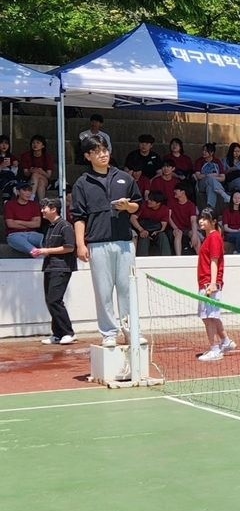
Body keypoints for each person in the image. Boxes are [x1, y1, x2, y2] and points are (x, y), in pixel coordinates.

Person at [71, 131, 142, 348]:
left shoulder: (125, 178)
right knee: (103, 292)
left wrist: (127, 206)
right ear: (87, 156)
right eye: (96, 151)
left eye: (104, 150)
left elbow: (137, 205)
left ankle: (131, 331)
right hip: (97, 243)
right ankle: (109, 333)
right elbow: (79, 217)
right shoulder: (82, 183)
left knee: (127, 289)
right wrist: (80, 244)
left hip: (124, 243)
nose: (102, 154)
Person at [31, 197, 78, 345]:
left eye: (45, 208)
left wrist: (46, 251)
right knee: (50, 300)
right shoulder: (50, 227)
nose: (42, 211)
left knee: (54, 300)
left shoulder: (65, 226)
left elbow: (69, 247)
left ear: (53, 209)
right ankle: (58, 334)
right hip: (50, 267)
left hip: (62, 267)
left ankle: (68, 332)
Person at [195, 208, 234, 362]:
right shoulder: (210, 237)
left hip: (209, 284)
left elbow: (214, 261)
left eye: (205, 218)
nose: (201, 221)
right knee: (211, 316)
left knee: (209, 317)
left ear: (213, 221)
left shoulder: (214, 237)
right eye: (201, 218)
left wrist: (212, 284)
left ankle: (214, 348)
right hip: (206, 282)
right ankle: (225, 341)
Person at [4, 180, 43, 254]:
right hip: (15, 234)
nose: (28, 193)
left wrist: (18, 222)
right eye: (25, 190)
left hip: (32, 234)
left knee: (47, 239)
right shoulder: (9, 204)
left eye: (30, 190)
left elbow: (37, 224)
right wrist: (30, 224)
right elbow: (10, 224)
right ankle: (37, 253)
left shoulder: (34, 204)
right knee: (18, 240)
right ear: (18, 192)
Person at [131, 190, 172, 256]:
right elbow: (132, 218)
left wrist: (157, 231)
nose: (149, 201)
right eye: (149, 199)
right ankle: (142, 259)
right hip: (141, 228)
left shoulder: (165, 209)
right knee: (144, 236)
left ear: (158, 203)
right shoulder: (143, 205)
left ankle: (167, 258)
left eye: (151, 200)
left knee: (162, 235)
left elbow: (163, 226)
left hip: (155, 230)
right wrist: (141, 230)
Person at [18, 134, 55, 201]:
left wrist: (40, 171)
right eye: (33, 143)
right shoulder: (26, 155)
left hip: (45, 179)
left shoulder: (48, 157)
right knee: (40, 182)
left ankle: (31, 197)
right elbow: (26, 173)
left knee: (37, 175)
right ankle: (42, 203)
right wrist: (31, 171)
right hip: (30, 180)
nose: (35, 145)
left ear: (43, 146)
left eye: (38, 143)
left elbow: (48, 175)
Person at [168, 181, 200, 255]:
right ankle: (178, 257)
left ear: (183, 192)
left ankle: (200, 257)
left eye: (176, 190)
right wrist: (175, 228)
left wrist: (195, 234)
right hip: (175, 228)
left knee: (194, 235)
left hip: (187, 229)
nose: (174, 191)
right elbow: (169, 217)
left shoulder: (191, 205)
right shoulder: (171, 202)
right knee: (178, 233)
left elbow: (193, 221)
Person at [194, 143, 230, 209]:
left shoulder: (217, 162)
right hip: (202, 184)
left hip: (213, 184)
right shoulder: (199, 161)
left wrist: (213, 178)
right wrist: (208, 175)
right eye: (203, 150)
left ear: (212, 153)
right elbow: (198, 176)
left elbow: (223, 178)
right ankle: (223, 194)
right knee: (210, 178)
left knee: (210, 188)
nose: (203, 152)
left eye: (206, 151)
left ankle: (210, 208)